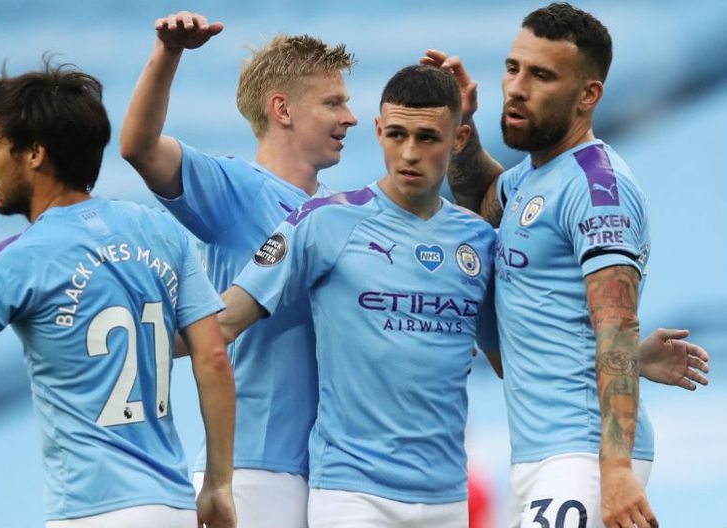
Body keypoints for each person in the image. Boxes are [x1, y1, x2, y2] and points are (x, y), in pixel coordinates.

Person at [0, 60, 236, 528]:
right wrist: (218, 485)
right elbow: (213, 358)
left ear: (35, 154)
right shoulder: (160, 230)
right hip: (173, 506)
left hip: (92, 511)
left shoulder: (16, 260)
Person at [420, 3, 710, 527]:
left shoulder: (599, 190)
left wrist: (614, 469)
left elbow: (617, 324)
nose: (516, 88)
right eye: (513, 68)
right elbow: (481, 201)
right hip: (542, 454)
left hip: (584, 455)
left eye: (541, 75)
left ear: (588, 95)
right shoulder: (533, 176)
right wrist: (463, 124)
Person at [216, 64, 496, 528]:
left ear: (459, 139)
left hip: (448, 496)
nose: (409, 153)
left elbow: (511, 363)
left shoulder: (480, 242)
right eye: (397, 135)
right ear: (379, 131)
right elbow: (225, 320)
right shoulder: (324, 221)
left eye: (427, 137)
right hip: (352, 493)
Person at [120, 11, 356, 527]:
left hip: (332, 474)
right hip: (255, 471)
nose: (351, 117)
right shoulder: (238, 188)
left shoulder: (339, 212)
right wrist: (169, 53)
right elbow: (138, 147)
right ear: (282, 109)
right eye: (333, 102)